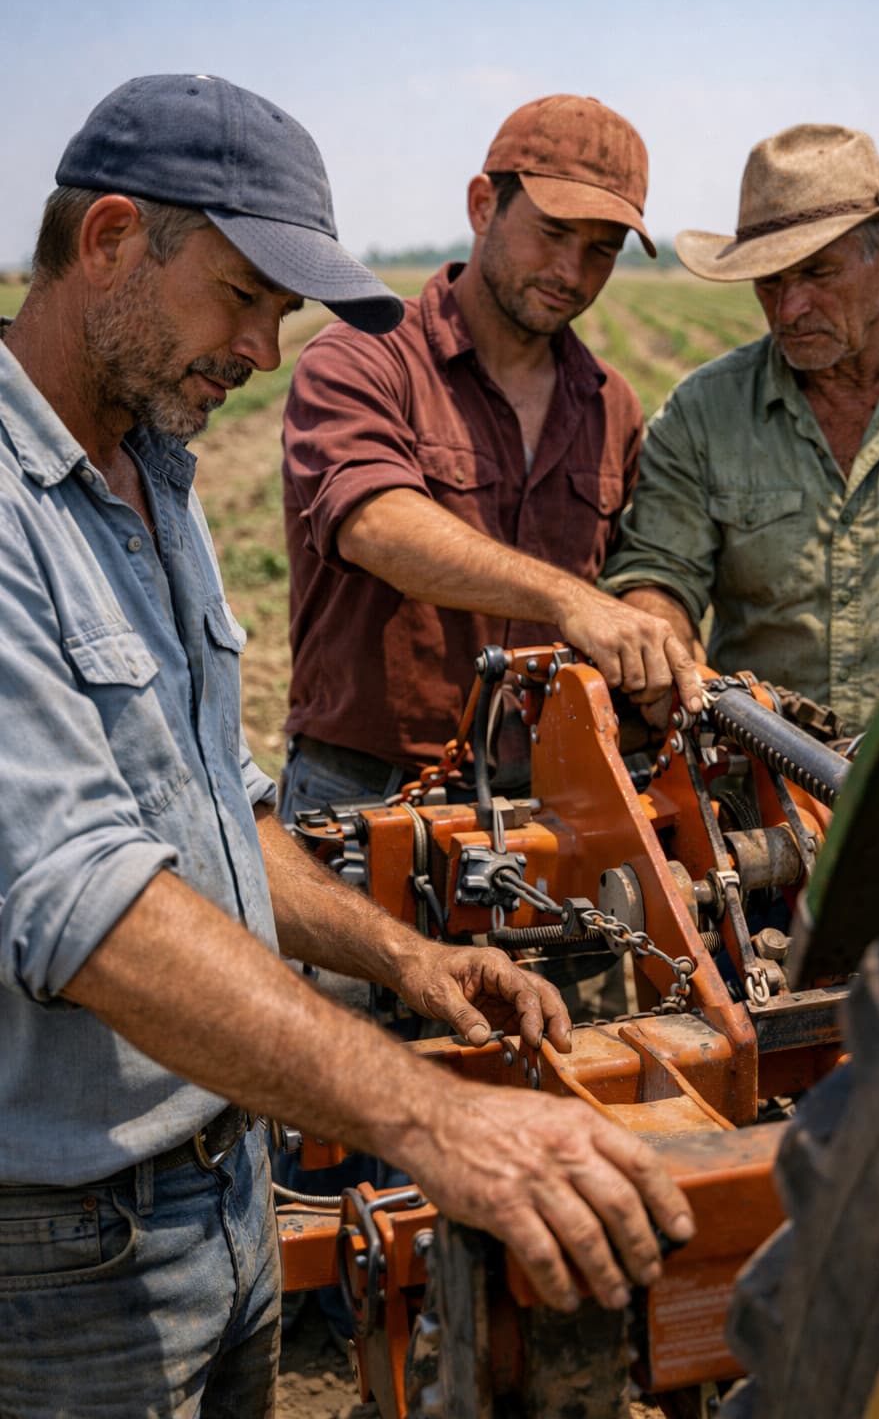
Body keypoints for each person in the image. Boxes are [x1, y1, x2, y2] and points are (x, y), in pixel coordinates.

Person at [0, 74, 694, 1418]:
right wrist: (433, 1118)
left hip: (215, 1188)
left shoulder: (153, 481)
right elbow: (86, 900)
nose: (267, 353)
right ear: (108, 245)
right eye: (247, 298)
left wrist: (407, 956)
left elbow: (218, 814)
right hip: (65, 1245)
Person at [280, 93, 703, 823]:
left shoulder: (612, 406)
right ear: (483, 206)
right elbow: (374, 523)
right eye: (553, 232)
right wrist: (568, 600)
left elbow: (632, 573)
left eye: (601, 248)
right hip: (366, 794)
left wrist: (658, 641)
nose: (571, 269)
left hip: (549, 797)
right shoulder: (363, 357)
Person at [601, 123, 879, 732]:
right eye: (770, 281)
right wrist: (660, 632)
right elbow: (658, 570)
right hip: (764, 786)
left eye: (818, 273)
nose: (790, 308)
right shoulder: (705, 411)